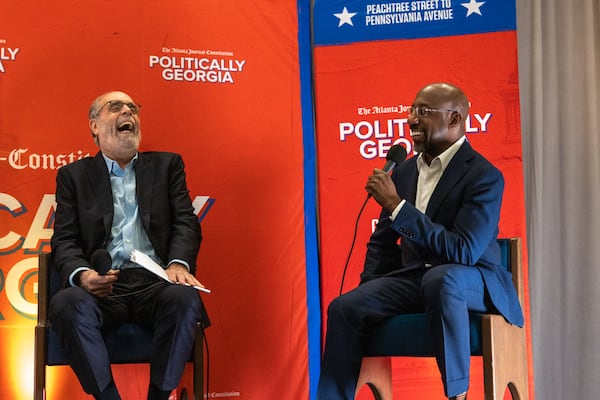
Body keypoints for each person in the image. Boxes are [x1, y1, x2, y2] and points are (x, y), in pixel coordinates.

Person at [316, 83, 524, 400]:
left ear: (454, 119)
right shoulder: (403, 172)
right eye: (412, 111)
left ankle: (458, 394)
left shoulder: (484, 175)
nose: (412, 119)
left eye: (423, 112)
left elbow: (464, 251)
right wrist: (371, 291)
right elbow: (382, 243)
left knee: (441, 278)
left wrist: (398, 207)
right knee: (345, 308)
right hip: (418, 278)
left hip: (472, 279)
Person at [49, 90, 210, 400]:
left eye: (133, 108)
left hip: (156, 283)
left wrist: (177, 265)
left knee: (185, 299)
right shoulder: (73, 177)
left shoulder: (167, 166)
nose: (128, 112)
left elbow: (186, 223)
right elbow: (65, 240)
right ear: (94, 125)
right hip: (104, 288)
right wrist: (84, 276)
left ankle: (159, 397)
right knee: (67, 304)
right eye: (116, 107)